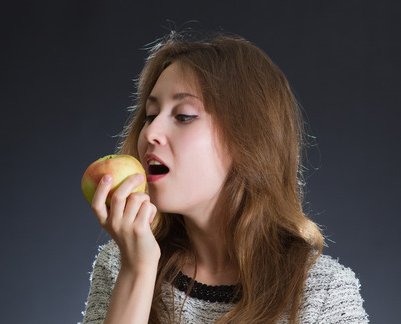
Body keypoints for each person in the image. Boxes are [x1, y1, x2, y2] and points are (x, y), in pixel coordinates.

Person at [80, 32, 368, 324]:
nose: (150, 133)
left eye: (183, 116)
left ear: (249, 140)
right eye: (151, 114)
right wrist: (138, 270)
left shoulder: (323, 291)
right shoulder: (120, 263)